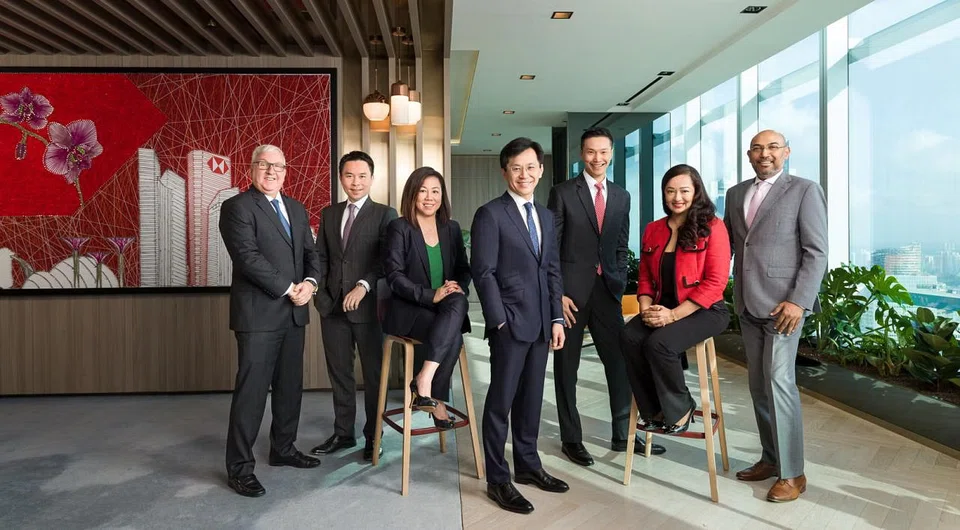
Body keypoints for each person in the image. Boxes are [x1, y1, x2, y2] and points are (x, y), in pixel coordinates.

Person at [548, 127, 664, 466]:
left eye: (603, 152)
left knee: (619, 363)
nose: (597, 158)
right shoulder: (563, 193)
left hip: (607, 292)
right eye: (590, 152)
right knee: (567, 368)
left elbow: (618, 244)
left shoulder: (621, 196)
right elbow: (550, 249)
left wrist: (616, 282)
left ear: (611, 153)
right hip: (570, 295)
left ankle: (622, 434)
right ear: (581, 154)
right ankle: (571, 439)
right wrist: (556, 295)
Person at [724, 130, 827, 503]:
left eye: (771, 147)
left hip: (785, 308)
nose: (764, 153)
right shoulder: (736, 194)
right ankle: (771, 458)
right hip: (749, 304)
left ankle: (793, 473)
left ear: (786, 152)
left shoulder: (804, 190)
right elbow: (731, 246)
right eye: (757, 148)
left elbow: (816, 252)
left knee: (779, 382)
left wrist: (799, 302)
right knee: (758, 385)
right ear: (748, 154)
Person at [471, 137, 569, 515]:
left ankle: (528, 466)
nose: (524, 174)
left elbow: (552, 270)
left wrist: (557, 317)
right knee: (501, 402)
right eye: (516, 168)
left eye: (531, 167)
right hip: (509, 325)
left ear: (541, 170)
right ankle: (498, 478)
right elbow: (484, 272)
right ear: (505, 172)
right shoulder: (490, 214)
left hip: (543, 323)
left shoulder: (545, 216)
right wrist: (499, 321)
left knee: (531, 401)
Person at [220, 144, 322, 498]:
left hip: (294, 314)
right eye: (264, 165)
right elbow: (247, 257)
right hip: (259, 315)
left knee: (290, 387)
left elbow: (313, 254)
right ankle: (239, 468)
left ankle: (283, 449)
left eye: (278, 166)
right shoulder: (237, 207)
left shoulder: (296, 208)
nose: (272, 171)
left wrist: (310, 284)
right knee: (251, 393)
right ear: (251, 169)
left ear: (286, 171)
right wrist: (289, 287)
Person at [620, 164, 730, 437]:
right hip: (661, 307)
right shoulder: (654, 229)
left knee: (660, 344)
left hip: (705, 309)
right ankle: (654, 411)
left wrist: (672, 316)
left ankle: (681, 407)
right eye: (670, 191)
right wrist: (646, 310)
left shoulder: (714, 228)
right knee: (629, 337)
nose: (676, 197)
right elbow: (644, 276)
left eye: (684, 191)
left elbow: (715, 283)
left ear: (696, 192)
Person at [310, 151, 398, 462]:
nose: (355, 182)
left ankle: (374, 436)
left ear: (372, 179)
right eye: (349, 176)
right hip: (332, 308)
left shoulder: (386, 215)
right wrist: (316, 291)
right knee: (340, 374)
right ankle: (343, 433)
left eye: (362, 176)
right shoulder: (329, 214)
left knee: (374, 376)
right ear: (341, 178)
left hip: (370, 309)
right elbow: (320, 257)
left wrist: (364, 285)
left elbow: (388, 262)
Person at [382, 167, 471, 429]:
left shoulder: (451, 229)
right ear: (412, 194)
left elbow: (464, 270)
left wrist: (457, 286)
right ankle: (437, 399)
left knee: (458, 301)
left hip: (445, 309)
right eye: (423, 191)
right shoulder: (399, 227)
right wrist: (431, 295)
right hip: (409, 310)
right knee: (452, 333)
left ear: (442, 196)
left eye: (435, 191)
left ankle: (423, 381)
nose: (429, 197)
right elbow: (394, 276)